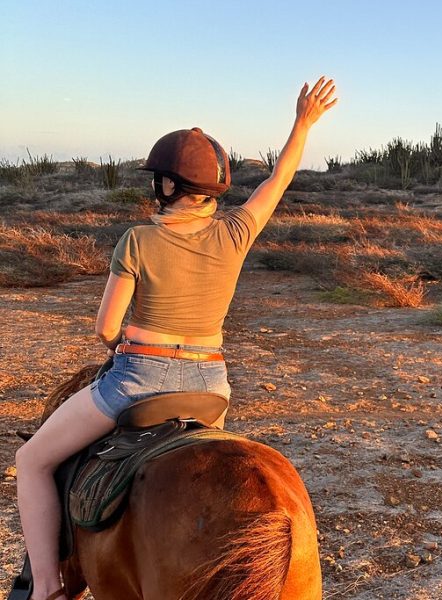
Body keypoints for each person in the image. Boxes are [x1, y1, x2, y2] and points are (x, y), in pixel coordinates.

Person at [14, 77, 337, 600]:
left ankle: (46, 587)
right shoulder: (236, 232)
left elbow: (105, 329)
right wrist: (303, 122)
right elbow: (278, 178)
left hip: (138, 382)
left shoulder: (138, 240)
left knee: (32, 461)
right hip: (211, 389)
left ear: (165, 186)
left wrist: (126, 343)